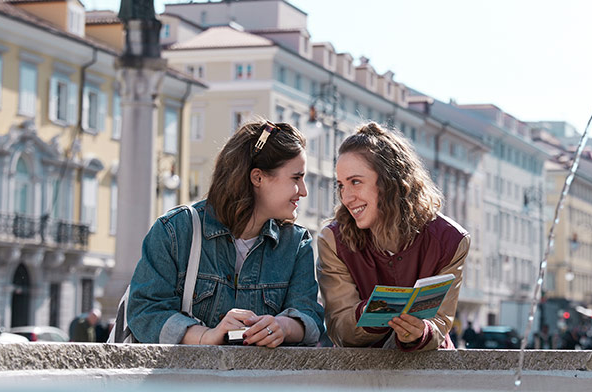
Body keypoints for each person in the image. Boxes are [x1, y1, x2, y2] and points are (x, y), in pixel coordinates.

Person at [126, 120, 325, 346]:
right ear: (257, 177)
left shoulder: (297, 243)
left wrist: (283, 327)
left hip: (259, 381)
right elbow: (144, 312)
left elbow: (311, 317)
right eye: (296, 178)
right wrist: (206, 336)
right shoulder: (175, 231)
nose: (304, 191)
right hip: (185, 380)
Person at [317, 122, 470, 351]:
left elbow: (441, 321)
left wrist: (421, 332)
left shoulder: (450, 240)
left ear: (390, 181)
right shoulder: (334, 241)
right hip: (360, 375)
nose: (346, 197)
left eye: (355, 182)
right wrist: (372, 313)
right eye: (341, 185)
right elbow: (339, 328)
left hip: (428, 372)